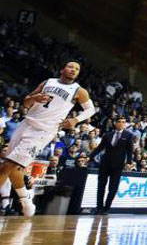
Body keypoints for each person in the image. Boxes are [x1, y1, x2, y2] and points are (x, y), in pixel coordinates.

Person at [0, 60, 96, 217]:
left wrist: (75, 120)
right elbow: (26, 101)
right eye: (71, 66)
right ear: (62, 69)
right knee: (12, 168)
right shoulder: (48, 82)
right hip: (26, 123)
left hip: (44, 131)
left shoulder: (78, 90)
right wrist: (34, 98)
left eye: (77, 69)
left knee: (8, 165)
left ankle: (24, 201)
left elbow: (91, 109)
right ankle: (26, 201)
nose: (74, 70)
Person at [89, 116, 134, 215]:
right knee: (101, 186)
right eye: (119, 122)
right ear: (115, 123)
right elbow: (100, 147)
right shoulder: (108, 135)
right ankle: (99, 207)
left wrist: (129, 162)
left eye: (123, 122)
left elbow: (129, 150)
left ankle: (107, 207)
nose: (121, 123)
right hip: (105, 163)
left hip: (118, 165)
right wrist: (90, 156)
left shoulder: (128, 135)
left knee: (113, 188)